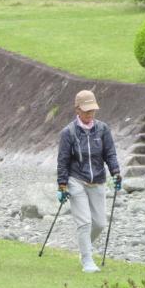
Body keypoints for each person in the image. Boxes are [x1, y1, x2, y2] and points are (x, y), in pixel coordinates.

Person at [56, 89, 121, 273]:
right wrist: (62, 185)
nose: (90, 113)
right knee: (84, 222)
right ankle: (87, 260)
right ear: (77, 110)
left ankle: (85, 249)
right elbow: (63, 161)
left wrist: (116, 172)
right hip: (76, 180)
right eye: (86, 110)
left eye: (92, 110)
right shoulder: (68, 133)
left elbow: (110, 154)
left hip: (98, 180)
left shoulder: (102, 129)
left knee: (99, 223)